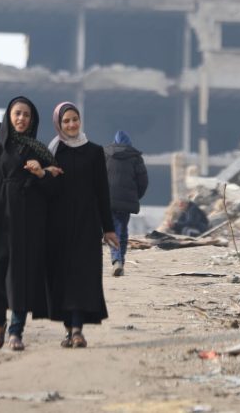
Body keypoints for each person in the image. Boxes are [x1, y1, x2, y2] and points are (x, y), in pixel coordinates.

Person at [0, 97, 61, 352]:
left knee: (20, 276)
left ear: (32, 120)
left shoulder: (41, 152)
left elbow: (56, 187)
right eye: (17, 114)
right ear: (9, 117)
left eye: (26, 115)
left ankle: (15, 331)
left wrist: (40, 173)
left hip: (29, 220)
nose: (22, 119)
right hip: (0, 217)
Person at [46, 102, 119, 348]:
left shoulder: (95, 152)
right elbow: (44, 192)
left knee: (83, 278)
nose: (71, 124)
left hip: (88, 226)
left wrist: (108, 228)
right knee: (62, 277)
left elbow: (102, 192)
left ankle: (78, 329)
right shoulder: (52, 153)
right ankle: (69, 330)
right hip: (58, 226)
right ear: (59, 124)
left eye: (75, 119)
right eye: (66, 121)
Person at [103, 130, 148, 277]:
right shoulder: (135, 157)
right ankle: (119, 259)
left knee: (110, 229)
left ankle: (117, 260)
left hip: (107, 200)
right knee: (121, 230)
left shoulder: (106, 154)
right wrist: (135, 196)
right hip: (126, 201)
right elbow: (143, 182)